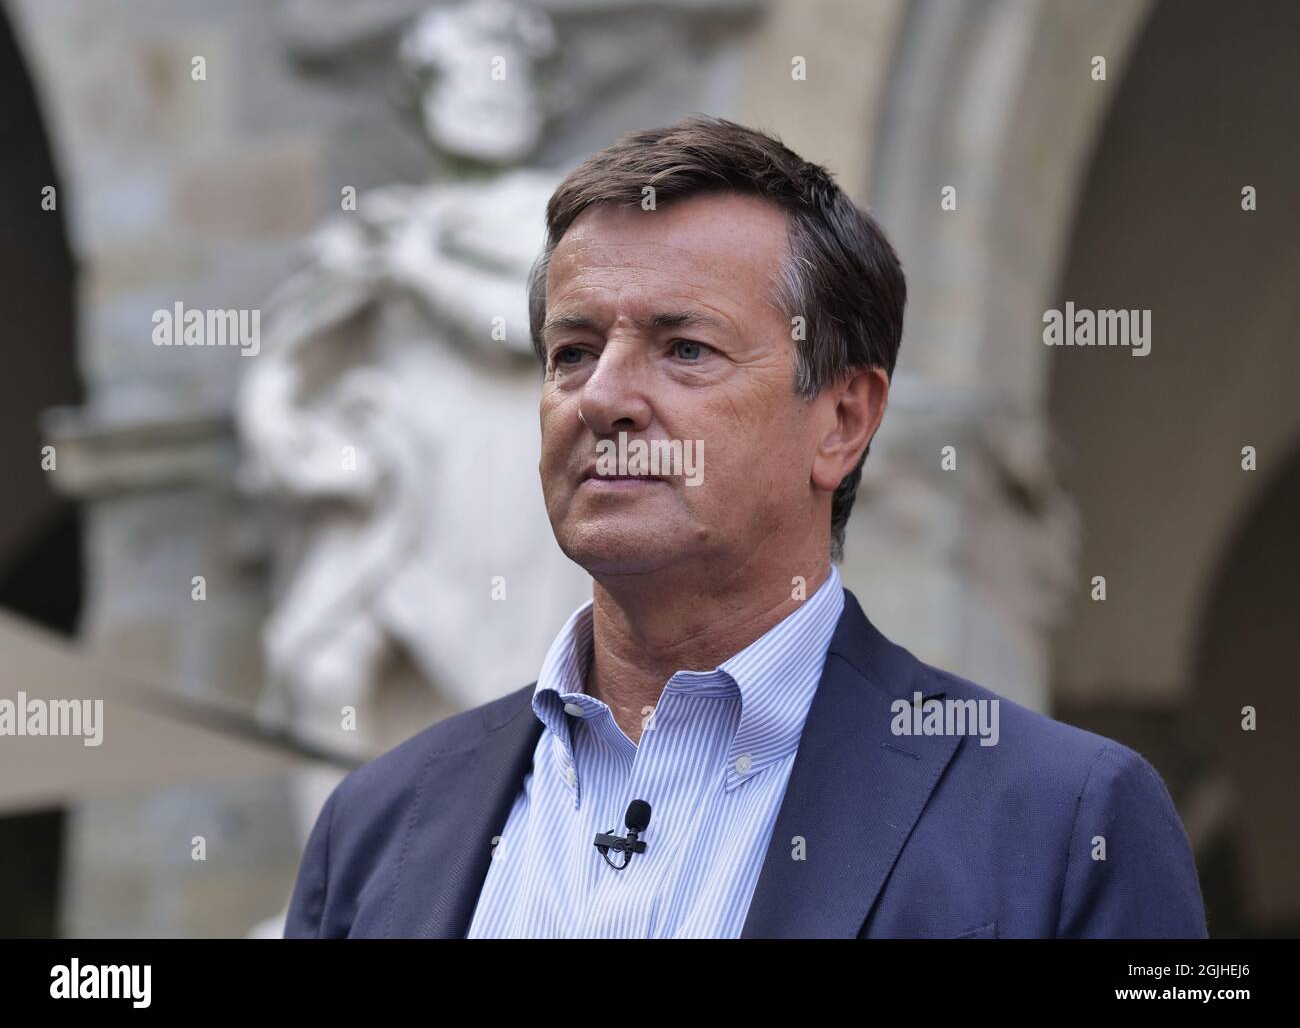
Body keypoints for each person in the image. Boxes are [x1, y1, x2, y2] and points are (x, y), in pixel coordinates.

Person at [282, 115, 1207, 938]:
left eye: (686, 349)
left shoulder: (1061, 818)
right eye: (572, 352)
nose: (602, 397)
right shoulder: (376, 828)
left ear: (841, 421)